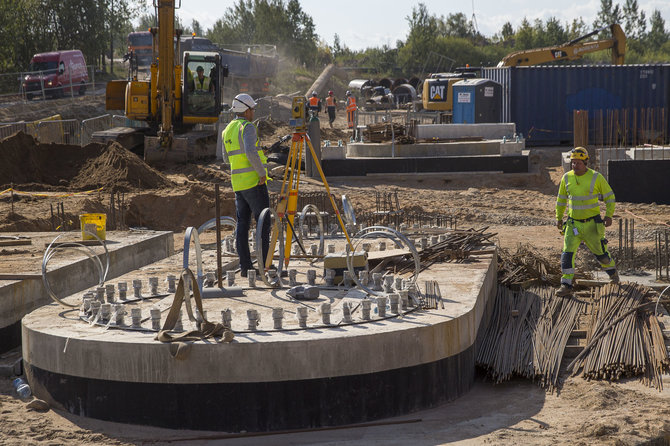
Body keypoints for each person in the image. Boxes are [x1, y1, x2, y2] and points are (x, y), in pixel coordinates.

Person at [555, 147, 619, 297]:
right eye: (573, 163)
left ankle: (613, 275)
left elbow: (610, 197)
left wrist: (609, 215)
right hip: (573, 225)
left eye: (578, 163)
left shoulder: (596, 177)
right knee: (567, 254)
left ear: (585, 163)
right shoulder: (566, 178)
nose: (574, 166)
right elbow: (561, 200)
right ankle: (566, 284)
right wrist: (559, 217)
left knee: (601, 255)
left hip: (592, 225)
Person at [222, 93, 270, 277]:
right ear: (246, 110)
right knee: (263, 222)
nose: (254, 112)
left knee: (242, 224)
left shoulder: (227, 129)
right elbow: (250, 151)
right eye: (253, 109)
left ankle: (245, 267)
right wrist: (261, 173)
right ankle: (264, 265)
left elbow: (226, 158)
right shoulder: (247, 127)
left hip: (238, 185)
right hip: (253, 182)